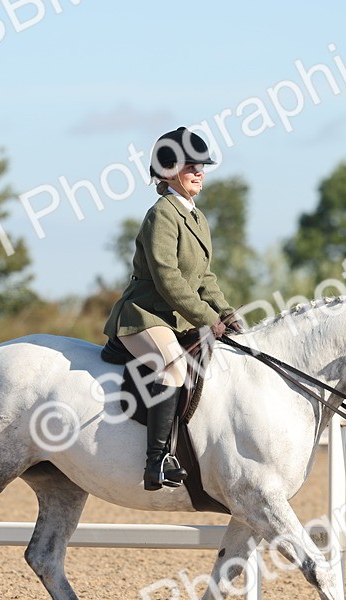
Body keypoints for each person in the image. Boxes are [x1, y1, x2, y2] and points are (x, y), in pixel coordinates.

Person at [104, 127, 242, 491]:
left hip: (175, 318)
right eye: (191, 166)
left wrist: (227, 314)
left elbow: (204, 276)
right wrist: (207, 318)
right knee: (174, 366)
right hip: (145, 316)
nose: (200, 172)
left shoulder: (196, 217)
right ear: (168, 172)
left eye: (202, 166)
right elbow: (168, 279)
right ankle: (158, 461)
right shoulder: (161, 215)